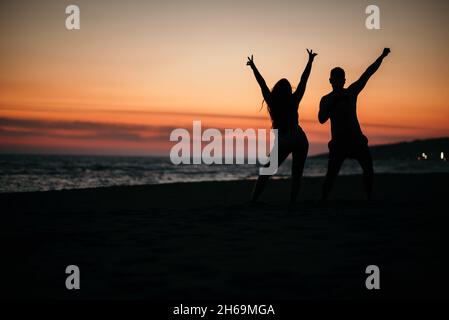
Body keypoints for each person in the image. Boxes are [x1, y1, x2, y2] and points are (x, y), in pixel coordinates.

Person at [319, 48, 391, 200]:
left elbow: (368, 73)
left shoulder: (351, 92)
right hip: (339, 142)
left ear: (344, 80)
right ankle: (324, 199)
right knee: (331, 173)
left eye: (340, 79)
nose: (337, 81)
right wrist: (333, 104)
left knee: (368, 169)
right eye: (335, 78)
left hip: (355, 139)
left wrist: (382, 57)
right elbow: (321, 119)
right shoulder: (326, 99)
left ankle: (369, 198)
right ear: (330, 80)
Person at [247, 49, 317, 204]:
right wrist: (310, 61)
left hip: (285, 138)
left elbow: (262, 84)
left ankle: (253, 201)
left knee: (266, 172)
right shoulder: (294, 99)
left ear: (277, 89)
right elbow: (303, 81)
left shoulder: (272, 101)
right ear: (288, 90)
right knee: (297, 174)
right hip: (299, 137)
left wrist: (253, 67)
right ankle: (293, 202)